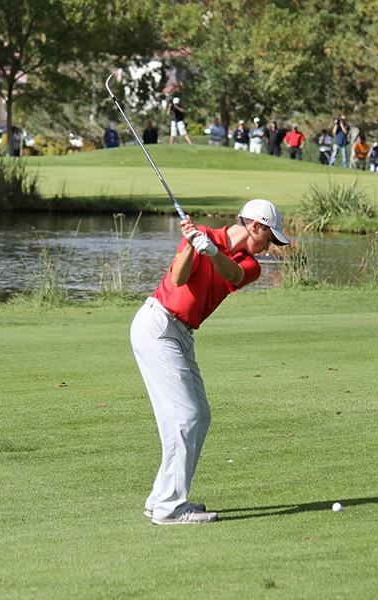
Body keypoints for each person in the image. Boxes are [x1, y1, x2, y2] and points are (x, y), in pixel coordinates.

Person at [130, 199, 290, 525]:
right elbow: (178, 278)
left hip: (182, 335)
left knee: (198, 415)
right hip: (158, 326)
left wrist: (213, 252)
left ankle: (161, 497)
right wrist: (191, 243)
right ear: (255, 226)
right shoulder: (200, 234)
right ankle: (169, 507)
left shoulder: (251, 265)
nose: (269, 247)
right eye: (268, 238)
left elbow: (231, 272)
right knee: (185, 416)